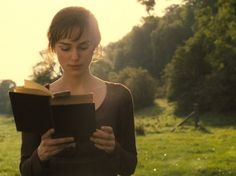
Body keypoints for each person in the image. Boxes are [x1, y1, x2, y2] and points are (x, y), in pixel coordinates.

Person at [20, 6, 137, 176]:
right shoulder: (35, 99)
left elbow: (129, 167)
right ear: (53, 48)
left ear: (95, 47)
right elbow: (25, 171)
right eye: (66, 48)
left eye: (82, 47)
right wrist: (40, 155)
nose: (74, 57)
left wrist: (114, 149)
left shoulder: (120, 97)